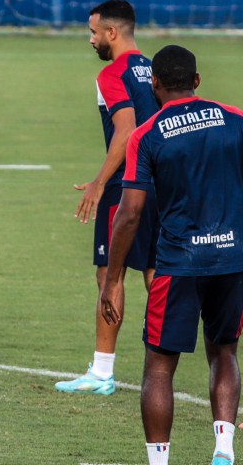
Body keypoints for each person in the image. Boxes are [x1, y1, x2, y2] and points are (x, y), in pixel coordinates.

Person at [101, 45, 243, 465]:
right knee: (224, 352)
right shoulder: (235, 120)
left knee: (160, 368)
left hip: (178, 265)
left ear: (154, 84)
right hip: (233, 260)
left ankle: (160, 462)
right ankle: (223, 450)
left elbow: (129, 214)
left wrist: (113, 280)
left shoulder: (147, 134)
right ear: (197, 81)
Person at [55, 0, 160, 395]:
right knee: (158, 274)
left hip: (127, 186)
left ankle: (102, 372)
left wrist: (100, 182)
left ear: (112, 33)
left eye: (94, 32)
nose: (92, 39)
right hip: (164, 186)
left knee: (109, 273)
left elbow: (126, 130)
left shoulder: (112, 73)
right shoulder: (155, 69)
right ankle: (177, 361)